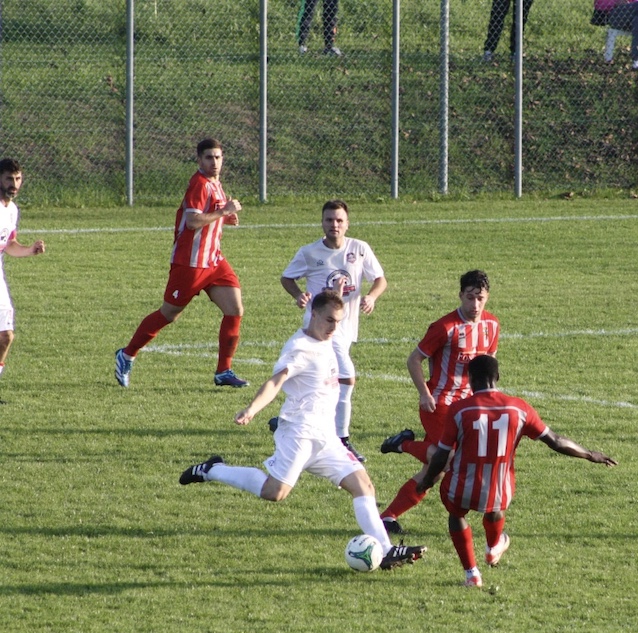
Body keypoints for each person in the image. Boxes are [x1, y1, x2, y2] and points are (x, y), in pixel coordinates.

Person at [179, 291, 426, 571]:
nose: (334, 327)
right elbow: (276, 381)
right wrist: (252, 409)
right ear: (313, 314)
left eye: (339, 322)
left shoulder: (327, 341)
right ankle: (213, 469)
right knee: (275, 492)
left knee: (363, 485)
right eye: (330, 320)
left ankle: (387, 550)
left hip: (326, 437)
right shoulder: (300, 348)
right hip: (298, 435)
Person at [416, 355, 617, 588]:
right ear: (498, 377)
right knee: (495, 506)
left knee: (457, 516)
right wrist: (590, 454)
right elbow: (556, 441)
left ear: (470, 379)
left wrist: (427, 481)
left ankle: (472, 574)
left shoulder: (459, 410)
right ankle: (492, 548)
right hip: (501, 489)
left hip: (461, 487)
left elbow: (441, 455)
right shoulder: (519, 408)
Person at [115, 138, 248, 389]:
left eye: (218, 157)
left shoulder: (215, 183)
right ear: (199, 160)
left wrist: (224, 219)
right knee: (169, 314)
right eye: (209, 157)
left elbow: (208, 218)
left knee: (234, 309)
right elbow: (193, 222)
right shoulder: (199, 184)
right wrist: (222, 212)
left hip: (214, 260)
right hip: (190, 263)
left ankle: (223, 371)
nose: (214, 162)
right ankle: (127, 354)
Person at [378, 270, 499, 535]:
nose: (475, 305)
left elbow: (488, 366)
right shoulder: (444, 327)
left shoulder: (492, 325)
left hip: (471, 407)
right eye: (470, 298)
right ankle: (404, 444)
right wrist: (424, 393)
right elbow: (414, 360)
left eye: (480, 298)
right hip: (440, 404)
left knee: (436, 470)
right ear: (460, 296)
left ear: (487, 297)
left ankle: (387, 517)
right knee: (448, 460)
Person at [273, 199, 387, 462]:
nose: (334, 225)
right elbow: (287, 277)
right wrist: (299, 295)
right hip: (319, 329)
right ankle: (343, 440)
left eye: (339, 220)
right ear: (322, 222)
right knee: (346, 378)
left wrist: (372, 296)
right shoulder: (309, 252)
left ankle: (286, 420)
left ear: (347, 223)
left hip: (344, 329)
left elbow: (380, 279)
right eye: (329, 220)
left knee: (315, 382)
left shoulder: (360, 249)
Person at [0, 159, 45, 395]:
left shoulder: (11, 210)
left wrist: (29, 250)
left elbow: (9, 244)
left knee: (6, 337)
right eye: (9, 178)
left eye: (17, 179)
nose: (14, 184)